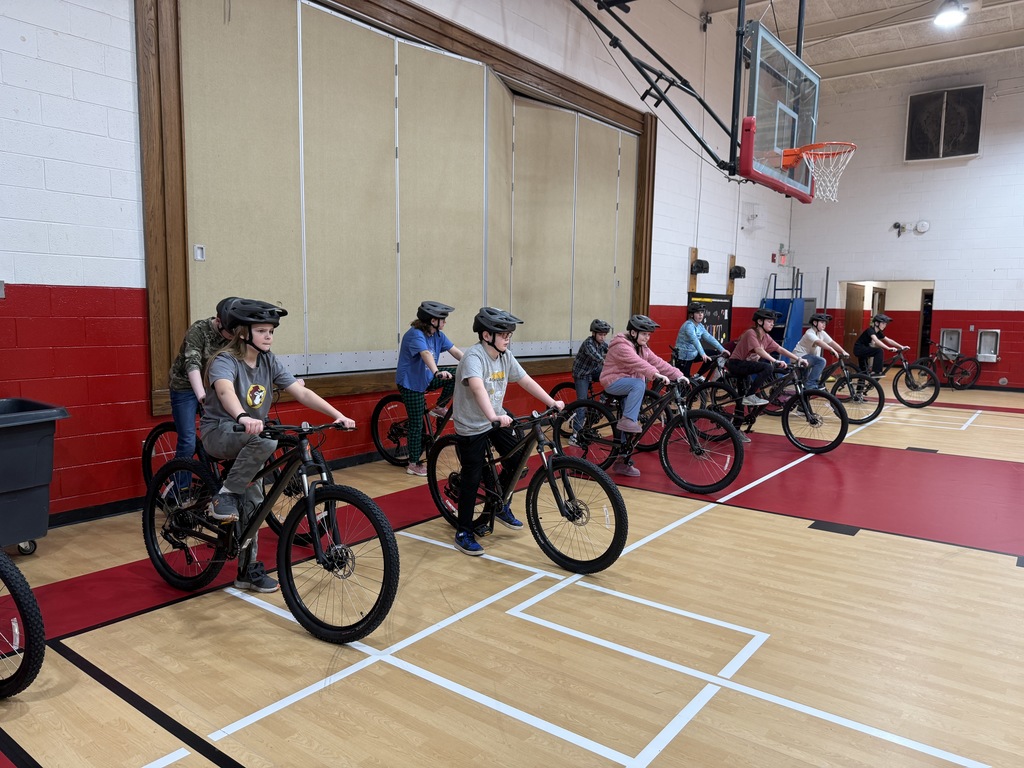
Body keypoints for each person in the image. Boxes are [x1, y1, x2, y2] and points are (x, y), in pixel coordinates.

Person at [200, 298, 355, 593]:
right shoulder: (225, 360)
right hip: (221, 432)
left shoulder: (269, 361)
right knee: (265, 442)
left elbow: (301, 393)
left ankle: (246, 571)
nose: (269, 335)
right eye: (262, 330)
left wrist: (338, 415)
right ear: (243, 332)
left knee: (256, 503)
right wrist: (243, 415)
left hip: (250, 435)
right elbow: (223, 391)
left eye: (271, 330)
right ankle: (225, 495)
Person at [451, 307, 563, 556]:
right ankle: (463, 532)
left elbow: (525, 380)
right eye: (503, 334)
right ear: (486, 335)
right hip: (472, 425)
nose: (508, 337)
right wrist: (493, 416)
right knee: (472, 476)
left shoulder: (505, 356)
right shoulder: (474, 357)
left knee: (517, 460)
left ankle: (498, 504)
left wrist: (551, 402)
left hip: (496, 419)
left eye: (509, 334)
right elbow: (478, 389)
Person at [599, 314, 687, 478]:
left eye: (649, 334)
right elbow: (638, 363)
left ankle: (622, 461)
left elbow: (657, 362)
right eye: (644, 333)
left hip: (630, 385)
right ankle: (628, 421)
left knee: (630, 420)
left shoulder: (642, 347)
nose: (647, 337)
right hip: (613, 381)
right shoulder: (621, 346)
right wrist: (655, 374)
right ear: (633, 333)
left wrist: (678, 374)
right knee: (638, 387)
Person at [396, 301, 463, 477]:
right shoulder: (415, 335)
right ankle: (413, 463)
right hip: (411, 384)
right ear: (433, 320)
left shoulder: (438, 335)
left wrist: (473, 365)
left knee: (458, 373)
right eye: (443, 319)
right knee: (417, 423)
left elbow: (455, 352)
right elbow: (425, 354)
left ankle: (440, 408)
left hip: (426, 378)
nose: (445, 322)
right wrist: (437, 372)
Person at [166, 297, 236, 461]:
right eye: (229, 333)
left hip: (213, 385)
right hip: (184, 386)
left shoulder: (236, 333)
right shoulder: (199, 330)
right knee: (188, 441)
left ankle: (213, 481)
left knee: (221, 433)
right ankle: (181, 485)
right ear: (218, 321)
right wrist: (201, 395)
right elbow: (192, 363)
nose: (231, 338)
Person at [727, 308, 807, 412]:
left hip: (746, 365)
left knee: (741, 400)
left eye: (773, 322)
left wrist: (798, 358)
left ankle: (737, 424)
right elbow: (758, 350)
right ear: (760, 321)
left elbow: (779, 349)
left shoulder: (766, 337)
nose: (772, 324)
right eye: (769, 321)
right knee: (767, 367)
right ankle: (750, 395)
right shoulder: (751, 333)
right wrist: (775, 361)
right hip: (736, 364)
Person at [569, 319, 611, 440]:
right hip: (582, 374)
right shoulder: (589, 343)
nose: (603, 337)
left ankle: (604, 398)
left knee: (612, 376)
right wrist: (606, 361)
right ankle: (575, 435)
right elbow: (597, 357)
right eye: (600, 335)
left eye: (604, 335)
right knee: (582, 403)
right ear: (594, 333)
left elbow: (611, 351)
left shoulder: (602, 344)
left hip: (593, 371)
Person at [792, 312, 849, 389]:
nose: (824, 325)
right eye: (822, 322)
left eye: (825, 323)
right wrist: (831, 349)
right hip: (799, 357)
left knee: (803, 383)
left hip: (809, 359)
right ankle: (811, 384)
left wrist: (843, 351)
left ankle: (804, 394)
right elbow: (818, 342)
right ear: (815, 323)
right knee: (821, 361)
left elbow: (832, 342)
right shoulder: (809, 333)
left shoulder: (822, 333)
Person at [674, 301, 728, 378]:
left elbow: (709, 337)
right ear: (691, 315)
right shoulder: (688, 325)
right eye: (697, 313)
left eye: (702, 312)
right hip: (684, 357)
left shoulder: (700, 326)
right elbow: (694, 340)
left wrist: (722, 349)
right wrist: (703, 354)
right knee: (684, 382)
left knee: (714, 354)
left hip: (694, 353)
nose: (700, 315)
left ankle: (698, 375)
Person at [853, 312, 908, 377]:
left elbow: (889, 340)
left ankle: (860, 386)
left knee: (863, 374)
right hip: (859, 349)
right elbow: (876, 341)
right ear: (876, 323)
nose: (885, 325)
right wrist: (888, 348)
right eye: (883, 323)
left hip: (865, 349)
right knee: (879, 351)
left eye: (885, 324)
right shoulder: (870, 330)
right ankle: (876, 371)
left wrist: (901, 346)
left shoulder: (878, 332)